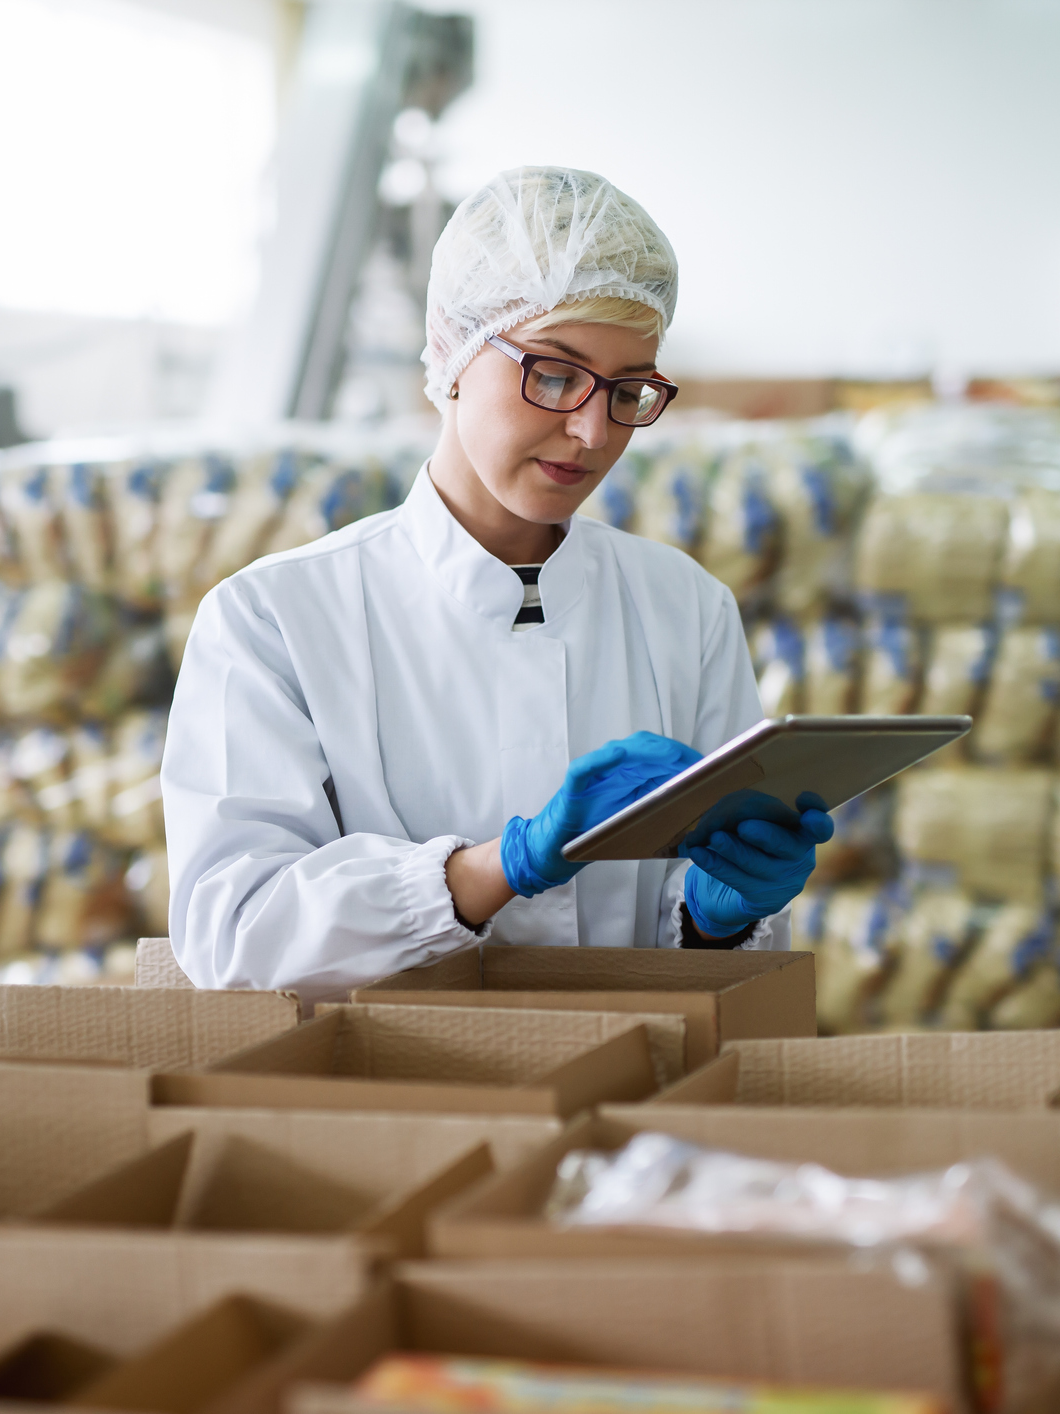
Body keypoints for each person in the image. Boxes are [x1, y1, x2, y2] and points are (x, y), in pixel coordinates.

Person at [163, 166, 831, 999]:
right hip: (383, 1104)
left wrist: (717, 920)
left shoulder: (683, 609)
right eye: (553, 372)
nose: (591, 429)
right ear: (451, 347)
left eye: (629, 390)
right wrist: (494, 869)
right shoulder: (275, 619)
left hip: (634, 1094)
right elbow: (231, 934)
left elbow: (705, 969)